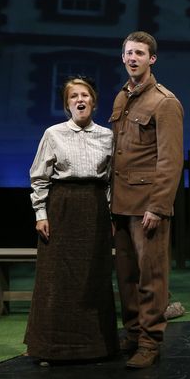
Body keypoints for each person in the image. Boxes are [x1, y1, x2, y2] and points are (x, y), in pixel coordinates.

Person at [25, 76, 118, 362]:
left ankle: (97, 347)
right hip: (62, 207)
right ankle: (50, 347)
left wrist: (112, 214)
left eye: (85, 96)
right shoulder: (53, 134)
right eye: (74, 96)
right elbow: (39, 177)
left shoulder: (107, 136)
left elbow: (112, 179)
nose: (80, 100)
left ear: (93, 101)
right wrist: (41, 213)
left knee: (95, 276)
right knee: (56, 278)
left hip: (95, 208)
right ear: (67, 104)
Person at [110, 31, 184, 369]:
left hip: (146, 206)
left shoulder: (164, 102)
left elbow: (170, 160)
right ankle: (133, 333)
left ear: (152, 59)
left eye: (139, 53)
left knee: (150, 276)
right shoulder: (121, 98)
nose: (132, 58)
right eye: (128, 53)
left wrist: (157, 206)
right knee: (126, 275)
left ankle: (150, 342)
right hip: (121, 203)